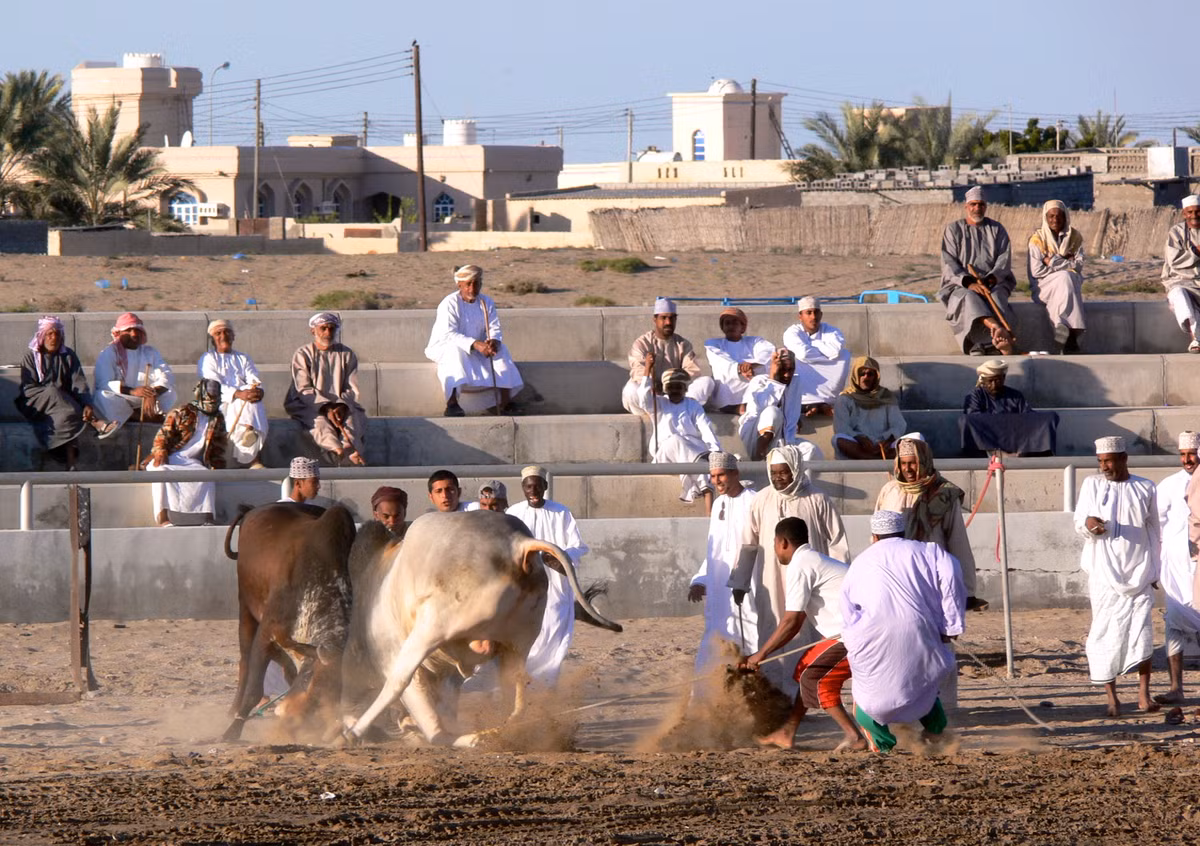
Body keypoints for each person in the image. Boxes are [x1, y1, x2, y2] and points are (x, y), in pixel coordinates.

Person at [840, 510, 965, 754]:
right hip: (920, 629)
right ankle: (935, 730)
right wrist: (951, 625)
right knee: (923, 681)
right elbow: (952, 574)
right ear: (903, 532)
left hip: (872, 634)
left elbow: (847, 607)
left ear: (874, 536)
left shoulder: (861, 562)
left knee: (867, 694)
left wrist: (852, 636)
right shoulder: (929, 551)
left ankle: (882, 745)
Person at [729, 444, 849, 694]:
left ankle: (801, 692)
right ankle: (774, 692)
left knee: (803, 631)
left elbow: (838, 543)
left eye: (783, 472)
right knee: (771, 627)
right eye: (774, 472)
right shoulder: (762, 499)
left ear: (795, 468)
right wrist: (740, 581)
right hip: (771, 579)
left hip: (811, 581)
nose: (778, 478)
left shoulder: (817, 499)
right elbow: (748, 543)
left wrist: (843, 587)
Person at [739, 517, 863, 751]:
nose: (775, 549)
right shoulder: (812, 560)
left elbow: (792, 621)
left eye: (774, 543)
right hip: (848, 632)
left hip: (852, 635)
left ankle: (854, 737)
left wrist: (760, 655)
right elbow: (797, 619)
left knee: (812, 677)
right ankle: (787, 732)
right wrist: (762, 654)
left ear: (783, 542)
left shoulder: (801, 564)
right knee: (804, 666)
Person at [1075, 436, 1162, 717]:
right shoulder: (1092, 485)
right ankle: (1112, 698)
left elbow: (1154, 530)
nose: (1104, 467)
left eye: (1109, 461)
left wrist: (1155, 570)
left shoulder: (1145, 487)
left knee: (1143, 633)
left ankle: (1143, 695)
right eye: (1100, 461)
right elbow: (1080, 521)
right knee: (1104, 633)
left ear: (1124, 459)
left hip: (1139, 572)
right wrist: (1090, 524)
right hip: (1104, 574)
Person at [876, 434, 986, 611]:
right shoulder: (889, 491)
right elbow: (877, 533)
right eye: (903, 463)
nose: (908, 469)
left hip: (930, 573)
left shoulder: (944, 494)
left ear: (925, 462)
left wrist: (967, 591)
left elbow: (958, 542)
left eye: (913, 463)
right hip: (895, 574)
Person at [506, 465, 589, 686]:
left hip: (555, 584)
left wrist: (561, 557)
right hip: (524, 585)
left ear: (545, 486)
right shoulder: (513, 513)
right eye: (528, 487)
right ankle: (522, 682)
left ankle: (546, 682)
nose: (533, 491)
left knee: (553, 627)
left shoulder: (561, 512)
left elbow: (578, 546)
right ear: (523, 488)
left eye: (537, 486)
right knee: (525, 633)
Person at [688, 452, 759, 674]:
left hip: (749, 582)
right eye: (712, 476)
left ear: (735, 474)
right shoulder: (718, 504)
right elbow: (714, 550)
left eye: (721, 475)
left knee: (750, 631)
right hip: (719, 588)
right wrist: (701, 580)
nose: (716, 481)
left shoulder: (755, 501)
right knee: (717, 634)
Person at [16, 314, 116, 468]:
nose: (54, 338)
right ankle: (95, 422)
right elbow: (28, 389)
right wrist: (53, 393)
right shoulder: (31, 358)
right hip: (36, 403)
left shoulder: (68, 355)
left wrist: (87, 404)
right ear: (42, 336)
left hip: (65, 404)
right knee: (53, 391)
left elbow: (79, 382)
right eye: (50, 334)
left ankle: (71, 466)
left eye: (57, 334)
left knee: (67, 415)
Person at [424, 264, 524, 416]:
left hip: (478, 347)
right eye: (468, 284)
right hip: (446, 346)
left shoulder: (486, 302)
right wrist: (475, 344)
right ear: (459, 285)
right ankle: (452, 404)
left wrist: (493, 341)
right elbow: (449, 333)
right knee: (454, 353)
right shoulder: (449, 303)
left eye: (476, 284)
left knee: (502, 350)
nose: (472, 289)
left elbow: (494, 326)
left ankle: (505, 403)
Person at [939, 186, 1017, 356]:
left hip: (993, 283)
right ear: (966, 206)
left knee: (997, 298)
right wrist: (969, 282)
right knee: (969, 298)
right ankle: (990, 333)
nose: (977, 208)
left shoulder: (997, 229)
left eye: (981, 204)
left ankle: (994, 345)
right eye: (973, 204)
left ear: (985, 206)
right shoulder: (953, 229)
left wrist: (990, 280)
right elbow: (949, 262)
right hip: (960, 284)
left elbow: (1004, 260)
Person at [284, 312, 368, 467]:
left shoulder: (347, 354)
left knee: (353, 419)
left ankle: (350, 452)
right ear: (313, 331)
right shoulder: (303, 354)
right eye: (323, 328)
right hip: (307, 403)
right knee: (320, 423)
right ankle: (338, 452)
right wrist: (326, 408)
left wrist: (341, 406)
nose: (328, 332)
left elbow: (351, 387)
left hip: (341, 404)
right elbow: (303, 388)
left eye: (331, 328)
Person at [1156, 431, 1200, 704]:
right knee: (1173, 621)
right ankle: (1176, 687)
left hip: (1199, 567)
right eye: (1183, 454)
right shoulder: (1168, 485)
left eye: (1191, 454)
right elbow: (1157, 525)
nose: (1187, 460)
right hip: (1175, 566)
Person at [145, 379, 227, 527]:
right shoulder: (183, 412)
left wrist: (216, 462)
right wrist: (160, 451)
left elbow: (219, 445)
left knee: (207, 475)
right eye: (209, 397)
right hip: (171, 457)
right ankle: (163, 518)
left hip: (194, 462)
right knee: (161, 472)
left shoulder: (218, 418)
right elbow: (163, 434)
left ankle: (207, 517)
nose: (212, 401)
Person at [639, 366, 721, 511]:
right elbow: (643, 399)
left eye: (679, 387)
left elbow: (705, 427)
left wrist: (716, 451)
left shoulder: (692, 404)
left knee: (700, 456)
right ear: (665, 389)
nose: (675, 391)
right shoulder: (659, 403)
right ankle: (705, 485)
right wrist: (648, 368)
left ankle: (709, 509)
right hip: (665, 455)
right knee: (677, 440)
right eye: (671, 387)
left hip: (690, 452)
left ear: (685, 388)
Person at [622, 297, 715, 415]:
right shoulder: (642, 343)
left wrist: (672, 385)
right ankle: (674, 411)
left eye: (672, 318)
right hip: (652, 396)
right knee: (630, 390)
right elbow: (638, 371)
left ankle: (673, 410)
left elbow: (692, 371)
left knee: (707, 382)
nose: (668, 322)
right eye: (663, 318)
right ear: (655, 319)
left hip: (675, 394)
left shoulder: (683, 344)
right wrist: (653, 385)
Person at [198, 319, 267, 468]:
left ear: (233, 336)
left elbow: (254, 378)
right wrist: (238, 393)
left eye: (227, 332)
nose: (223, 336)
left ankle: (249, 433)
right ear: (212, 339)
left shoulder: (243, 358)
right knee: (244, 400)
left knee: (252, 395)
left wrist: (258, 390)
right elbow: (213, 385)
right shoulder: (208, 358)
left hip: (246, 401)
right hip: (219, 401)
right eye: (218, 333)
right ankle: (253, 459)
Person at [92, 311, 176, 431]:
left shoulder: (150, 352)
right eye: (128, 330)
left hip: (148, 399)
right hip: (123, 397)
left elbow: (166, 375)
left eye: (137, 330)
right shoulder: (108, 353)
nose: (134, 334)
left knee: (170, 391)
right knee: (101, 396)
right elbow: (104, 383)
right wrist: (133, 391)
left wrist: (152, 393)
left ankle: (143, 414)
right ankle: (138, 417)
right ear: (118, 333)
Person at [960, 359, 1057, 456]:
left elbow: (1028, 416)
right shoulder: (975, 395)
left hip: (1013, 434)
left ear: (1004, 378)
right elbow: (974, 418)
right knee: (966, 420)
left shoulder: (1015, 395)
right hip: (989, 434)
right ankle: (996, 452)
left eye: (997, 380)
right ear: (983, 381)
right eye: (990, 381)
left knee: (1050, 417)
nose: (994, 385)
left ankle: (1021, 452)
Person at [1027, 199, 1086, 354]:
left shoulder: (1074, 237)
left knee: (1066, 279)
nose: (1055, 220)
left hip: (1068, 285)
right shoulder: (1038, 239)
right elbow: (1037, 271)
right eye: (1051, 216)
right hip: (1043, 287)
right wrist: (1066, 263)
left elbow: (1078, 266)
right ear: (1045, 218)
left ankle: (1062, 329)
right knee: (1065, 277)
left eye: (1059, 216)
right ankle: (1072, 336)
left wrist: (1052, 261)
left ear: (1065, 217)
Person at [781, 296, 850, 418]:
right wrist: (825, 352)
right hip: (805, 375)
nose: (813, 317)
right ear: (800, 316)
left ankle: (824, 402)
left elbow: (835, 350)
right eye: (808, 313)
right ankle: (811, 403)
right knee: (791, 356)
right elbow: (803, 353)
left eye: (816, 312)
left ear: (821, 314)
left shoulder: (832, 331)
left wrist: (810, 345)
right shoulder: (792, 332)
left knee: (844, 355)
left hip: (829, 373)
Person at [832, 355, 906, 460]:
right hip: (858, 444)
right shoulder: (844, 399)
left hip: (883, 443)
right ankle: (874, 459)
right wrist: (861, 439)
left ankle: (876, 457)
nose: (866, 377)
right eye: (862, 374)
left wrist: (888, 440)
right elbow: (841, 427)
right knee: (839, 439)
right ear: (855, 375)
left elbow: (899, 424)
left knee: (915, 438)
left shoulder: (886, 396)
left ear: (876, 376)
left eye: (870, 374)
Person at [703, 307, 775, 414]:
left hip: (753, 380)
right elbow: (720, 361)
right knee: (721, 369)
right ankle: (735, 407)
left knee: (764, 374)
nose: (731, 326)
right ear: (722, 327)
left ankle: (750, 405)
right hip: (727, 390)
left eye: (735, 323)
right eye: (727, 323)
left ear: (743, 327)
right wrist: (740, 368)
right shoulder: (713, 343)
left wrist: (752, 365)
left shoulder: (755, 341)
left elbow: (768, 352)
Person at [1161, 195, 1200, 353]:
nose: (1194, 215)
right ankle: (1196, 338)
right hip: (1179, 280)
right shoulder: (1176, 232)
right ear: (1184, 214)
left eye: (1197, 211)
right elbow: (1174, 260)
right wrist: (1196, 252)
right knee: (1180, 296)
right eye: (1190, 212)